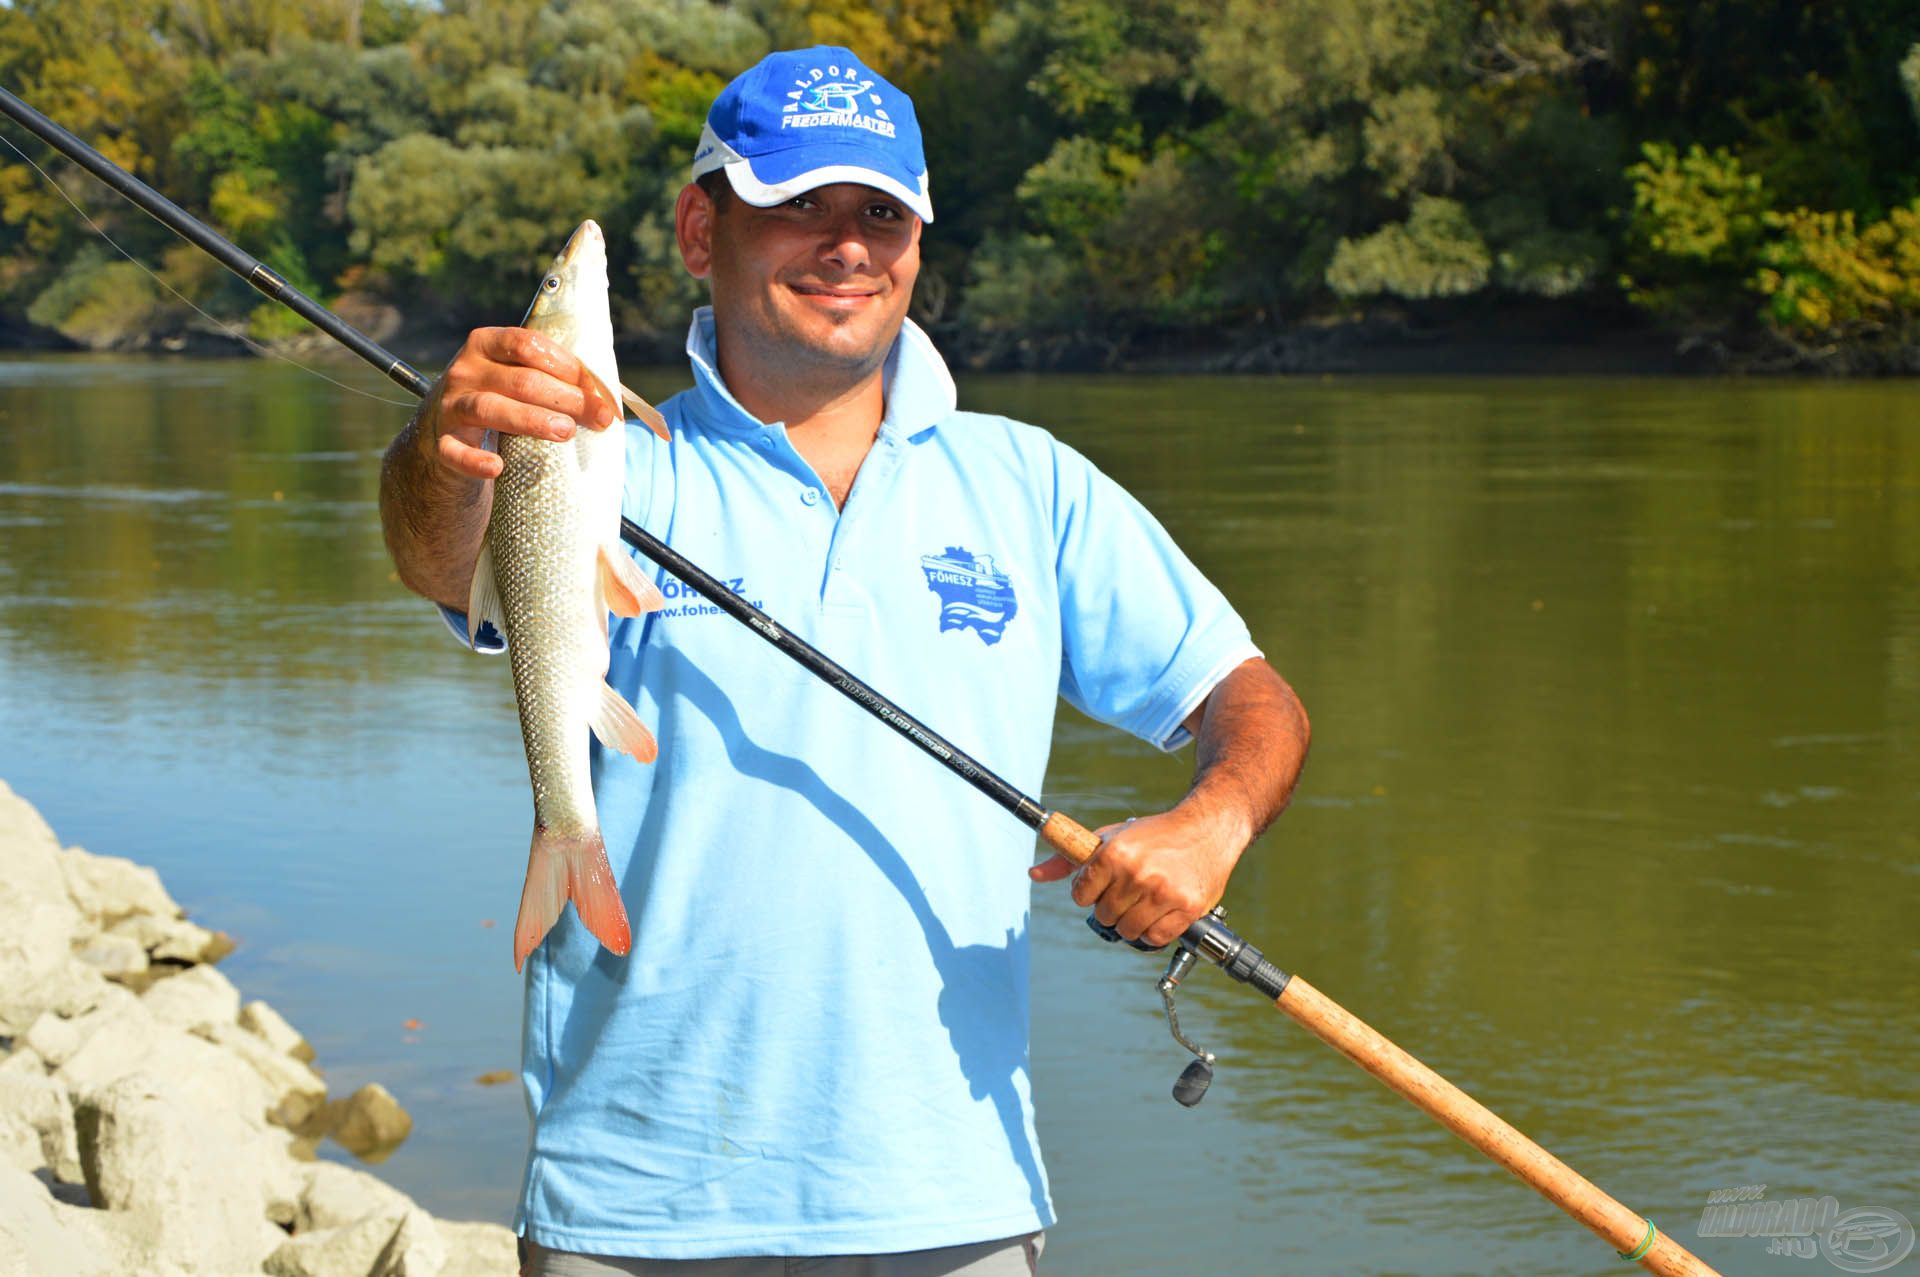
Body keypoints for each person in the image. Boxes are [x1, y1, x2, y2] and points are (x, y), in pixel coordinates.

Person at [379, 45, 1309, 1277]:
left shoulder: (1029, 481)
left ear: (918, 242)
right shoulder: (612, 463)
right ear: (702, 228)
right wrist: (444, 450)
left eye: (880, 212)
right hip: (636, 1200)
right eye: (798, 205)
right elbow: (436, 558)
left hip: (949, 1192)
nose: (847, 245)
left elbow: (1252, 700)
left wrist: (1212, 823)